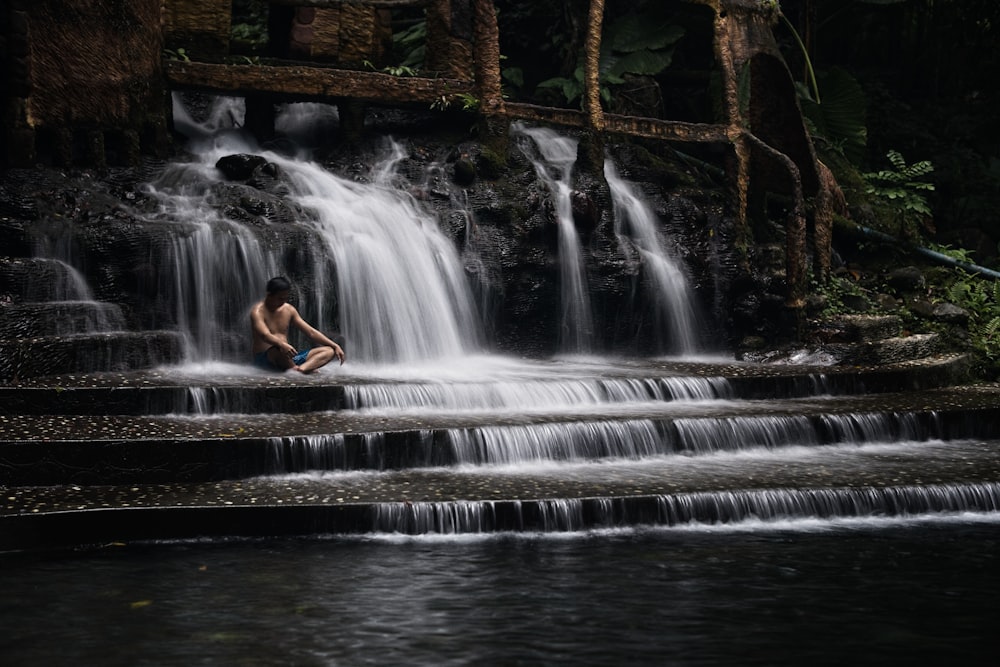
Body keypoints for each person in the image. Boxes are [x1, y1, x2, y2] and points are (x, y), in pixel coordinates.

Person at [250, 276, 345, 373]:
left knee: (329, 351)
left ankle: (300, 370)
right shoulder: (258, 311)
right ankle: (302, 369)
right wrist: (282, 344)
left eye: (285, 298)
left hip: (289, 358)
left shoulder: (288, 309)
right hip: (267, 359)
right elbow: (265, 335)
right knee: (278, 349)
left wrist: (335, 345)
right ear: (269, 295)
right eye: (280, 298)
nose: (283, 302)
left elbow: (310, 332)